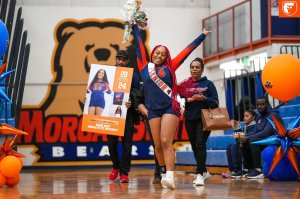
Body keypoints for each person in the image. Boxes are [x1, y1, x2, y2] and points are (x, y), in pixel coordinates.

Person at [132, 21, 210, 189]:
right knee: (157, 145)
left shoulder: (171, 66)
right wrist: (134, 28)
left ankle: (170, 176)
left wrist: (202, 36)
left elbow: (188, 50)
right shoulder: (144, 66)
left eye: (163, 54)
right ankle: (162, 171)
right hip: (153, 110)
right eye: (157, 53)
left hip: (169, 107)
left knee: (166, 141)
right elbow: (138, 45)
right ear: (153, 53)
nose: (159, 56)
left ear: (166, 57)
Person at [178, 57, 218, 186]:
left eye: (197, 67)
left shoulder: (209, 84)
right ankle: (204, 170)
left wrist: (204, 98)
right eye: (192, 67)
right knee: (195, 146)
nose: (194, 69)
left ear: (202, 69)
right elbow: (179, 101)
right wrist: (189, 99)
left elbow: (216, 103)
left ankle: (200, 174)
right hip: (189, 119)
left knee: (200, 144)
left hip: (205, 119)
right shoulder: (184, 85)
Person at [107, 50, 140, 183]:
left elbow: (138, 93)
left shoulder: (133, 75)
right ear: (115, 60)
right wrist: (90, 99)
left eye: (123, 59)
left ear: (127, 61)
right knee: (111, 145)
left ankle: (124, 172)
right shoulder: (108, 72)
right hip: (111, 115)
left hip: (128, 114)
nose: (120, 62)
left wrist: (132, 101)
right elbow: (100, 90)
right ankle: (116, 166)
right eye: (118, 59)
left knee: (127, 146)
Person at [233, 97, 283, 179]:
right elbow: (255, 131)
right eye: (258, 105)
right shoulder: (260, 117)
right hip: (265, 140)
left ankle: (258, 170)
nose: (259, 106)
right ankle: (248, 169)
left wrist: (248, 137)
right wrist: (245, 137)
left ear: (267, 104)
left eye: (262, 104)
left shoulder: (273, 114)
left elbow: (267, 132)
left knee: (253, 140)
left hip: (276, 140)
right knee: (242, 141)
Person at [131, 86, 162, 184]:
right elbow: (139, 101)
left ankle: (168, 173)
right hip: (151, 117)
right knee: (157, 145)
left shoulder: (168, 82)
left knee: (166, 144)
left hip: (168, 116)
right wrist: (147, 113)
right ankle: (158, 173)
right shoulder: (147, 84)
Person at [222, 109, 256, 178]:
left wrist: (240, 135)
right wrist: (236, 127)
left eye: (247, 116)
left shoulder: (255, 126)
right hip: (244, 143)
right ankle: (232, 170)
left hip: (250, 145)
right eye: (244, 116)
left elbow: (249, 136)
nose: (245, 118)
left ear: (253, 117)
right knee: (229, 146)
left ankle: (238, 169)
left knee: (234, 146)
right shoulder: (245, 126)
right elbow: (238, 139)